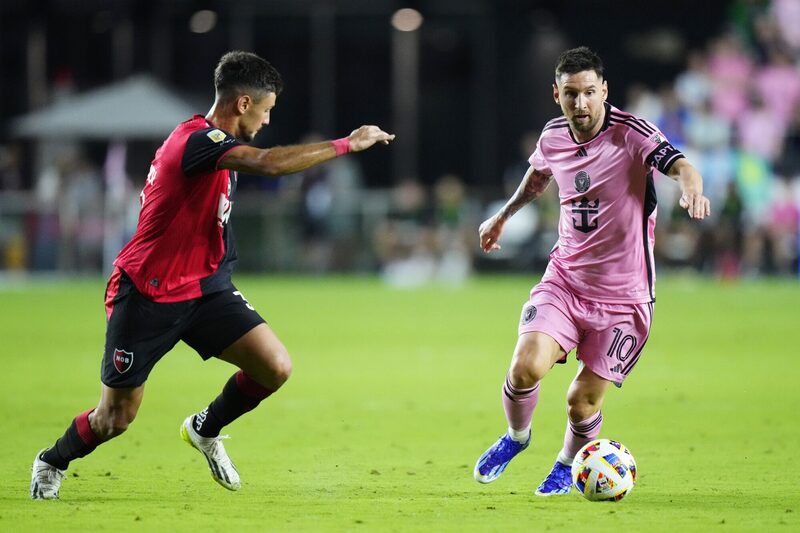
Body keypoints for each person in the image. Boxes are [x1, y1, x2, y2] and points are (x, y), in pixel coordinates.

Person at [30, 50, 394, 500]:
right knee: (115, 419)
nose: (265, 122)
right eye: (266, 110)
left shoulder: (216, 143)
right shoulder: (198, 142)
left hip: (205, 289)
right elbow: (269, 163)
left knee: (275, 367)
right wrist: (346, 144)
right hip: (148, 293)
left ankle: (205, 429)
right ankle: (52, 461)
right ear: (243, 103)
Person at [473, 47, 710, 496]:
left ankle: (566, 465)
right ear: (556, 95)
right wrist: (503, 216)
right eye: (569, 95)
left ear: (604, 90)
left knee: (581, 404)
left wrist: (692, 189)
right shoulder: (553, 136)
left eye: (588, 93)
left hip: (625, 298)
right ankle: (516, 438)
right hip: (565, 280)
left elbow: (680, 165)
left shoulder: (632, 133)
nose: (579, 104)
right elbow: (538, 176)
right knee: (525, 367)